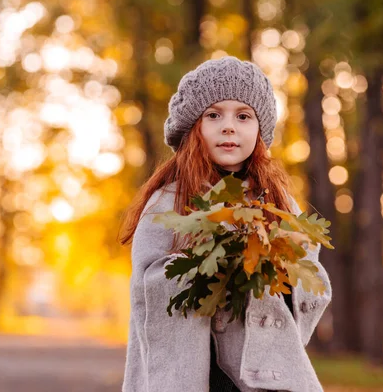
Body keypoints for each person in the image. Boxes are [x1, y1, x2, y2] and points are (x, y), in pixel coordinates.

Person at [118, 56, 332, 392]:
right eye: (214, 115)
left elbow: (311, 280)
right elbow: (148, 289)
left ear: (259, 130)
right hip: (196, 373)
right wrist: (215, 256)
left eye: (243, 116)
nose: (229, 127)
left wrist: (281, 257)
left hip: (260, 372)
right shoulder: (167, 203)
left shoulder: (278, 202)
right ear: (194, 128)